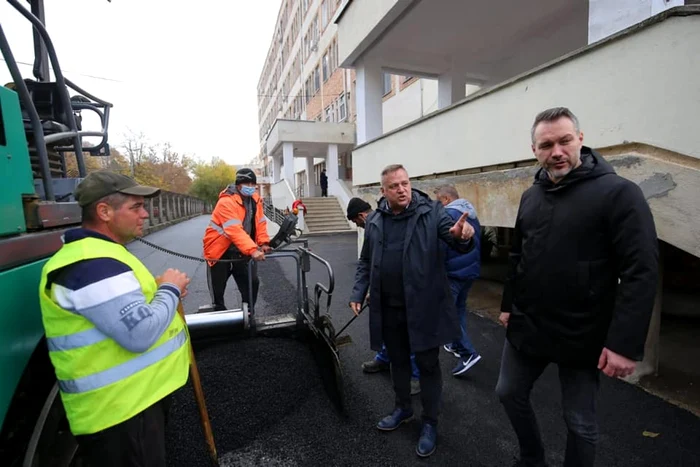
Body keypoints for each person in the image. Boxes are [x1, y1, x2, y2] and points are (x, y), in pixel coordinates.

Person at [496, 107, 659, 467]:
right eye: (546, 144)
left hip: (583, 331)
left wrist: (623, 345)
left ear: (580, 140)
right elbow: (518, 257)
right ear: (534, 150)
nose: (557, 151)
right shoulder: (531, 197)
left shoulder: (619, 194)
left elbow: (641, 270)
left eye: (565, 141)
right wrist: (508, 305)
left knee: (580, 422)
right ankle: (532, 458)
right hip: (530, 324)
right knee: (508, 393)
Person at [38, 170, 191, 467]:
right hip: (121, 414)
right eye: (136, 207)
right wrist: (170, 289)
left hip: (133, 404)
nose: (145, 214)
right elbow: (140, 333)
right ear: (104, 211)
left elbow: (124, 309)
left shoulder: (102, 255)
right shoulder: (91, 262)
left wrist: (159, 293)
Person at [349, 164, 475, 458]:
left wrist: (463, 236)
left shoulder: (431, 212)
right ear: (383, 191)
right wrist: (358, 290)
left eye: (405, 183)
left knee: (428, 366)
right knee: (398, 362)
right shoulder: (376, 220)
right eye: (394, 186)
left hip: (424, 308)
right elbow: (366, 261)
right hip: (389, 308)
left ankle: (430, 423)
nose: (402, 189)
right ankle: (403, 408)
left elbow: (453, 236)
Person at [346, 197, 421, 396]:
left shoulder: (392, 221)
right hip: (386, 291)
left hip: (408, 291)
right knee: (388, 328)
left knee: (408, 333)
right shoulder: (373, 226)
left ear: (362, 215)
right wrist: (362, 293)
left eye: (356, 222)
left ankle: (415, 376)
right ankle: (384, 358)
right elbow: (368, 261)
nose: (358, 226)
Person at [203, 168, 271, 311]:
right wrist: (253, 250)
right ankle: (219, 317)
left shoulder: (255, 200)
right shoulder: (226, 202)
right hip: (220, 252)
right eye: (247, 184)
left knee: (252, 283)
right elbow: (234, 230)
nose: (251, 187)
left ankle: (248, 315)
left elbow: (260, 223)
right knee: (218, 292)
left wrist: (263, 242)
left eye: (253, 184)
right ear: (238, 185)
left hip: (241, 250)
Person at [433, 185, 483, 376]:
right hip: (469, 272)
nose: (437, 205)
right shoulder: (469, 212)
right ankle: (455, 344)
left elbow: (442, 246)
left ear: (446, 199)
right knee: (458, 310)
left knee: (447, 315)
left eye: (438, 200)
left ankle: (467, 353)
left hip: (452, 273)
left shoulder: (449, 214)